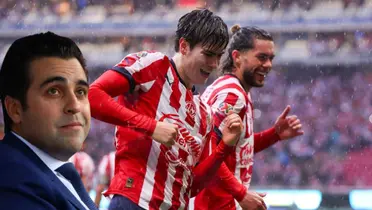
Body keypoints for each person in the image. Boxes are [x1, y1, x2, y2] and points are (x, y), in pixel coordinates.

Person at [88, 9, 243, 210]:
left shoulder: (204, 114)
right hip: (135, 202)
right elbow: (92, 96)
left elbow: (192, 186)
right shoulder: (153, 65)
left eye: (219, 56)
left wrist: (225, 147)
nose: (214, 64)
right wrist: (151, 126)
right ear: (184, 46)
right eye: (208, 54)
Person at [191, 25, 305, 210]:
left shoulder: (234, 90)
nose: (268, 65)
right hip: (211, 203)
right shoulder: (232, 95)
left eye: (270, 58)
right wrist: (240, 193)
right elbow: (208, 150)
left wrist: (273, 134)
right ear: (236, 57)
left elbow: (235, 148)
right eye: (261, 57)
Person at [0, 32, 98, 210]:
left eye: (81, 91)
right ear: (15, 109)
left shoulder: (49, 172)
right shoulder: (13, 183)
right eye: (54, 91)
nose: (74, 105)